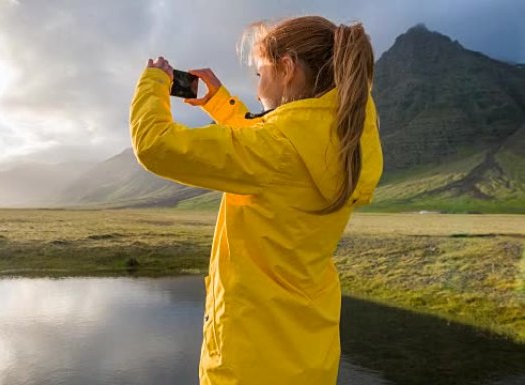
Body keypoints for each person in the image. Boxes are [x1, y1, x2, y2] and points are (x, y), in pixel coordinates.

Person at [129, 15, 383, 385]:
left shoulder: (277, 152)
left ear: (287, 68)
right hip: (309, 356)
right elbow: (271, 146)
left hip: (249, 363)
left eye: (260, 73)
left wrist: (154, 81)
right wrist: (220, 104)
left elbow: (154, 145)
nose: (258, 85)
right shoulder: (344, 144)